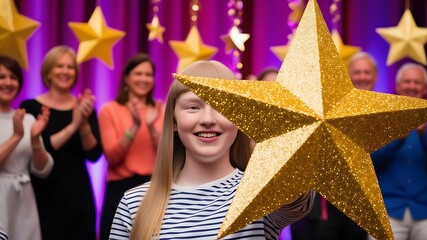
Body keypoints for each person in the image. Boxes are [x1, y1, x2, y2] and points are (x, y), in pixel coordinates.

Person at [109, 60, 315, 239]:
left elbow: (297, 192)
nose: (208, 119)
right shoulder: (133, 203)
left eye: (222, 106)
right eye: (193, 107)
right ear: (173, 120)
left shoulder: (260, 194)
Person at [290, 52, 377, 240]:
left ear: (375, 76)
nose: (362, 77)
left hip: (359, 205)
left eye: (366, 72)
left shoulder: (383, 111)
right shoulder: (331, 104)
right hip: (323, 205)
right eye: (357, 72)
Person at [19, 46, 103, 240]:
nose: (65, 71)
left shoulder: (84, 105)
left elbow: (94, 154)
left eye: (70, 67)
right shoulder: (30, 107)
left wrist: (83, 124)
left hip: (78, 192)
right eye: (59, 66)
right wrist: (73, 126)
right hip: (44, 191)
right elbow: (42, 149)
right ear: (48, 71)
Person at [98, 53, 165, 240]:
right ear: (126, 78)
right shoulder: (109, 110)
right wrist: (135, 126)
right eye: (138, 74)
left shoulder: (162, 109)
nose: (143, 79)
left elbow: (168, 154)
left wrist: (151, 128)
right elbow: (112, 157)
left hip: (155, 188)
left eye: (148, 74)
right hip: (119, 190)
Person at [370, 63, 427, 240]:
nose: (412, 86)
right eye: (407, 81)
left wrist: (424, 135)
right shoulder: (379, 118)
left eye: (417, 82)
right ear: (398, 86)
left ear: (425, 88)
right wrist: (397, 139)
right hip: (387, 211)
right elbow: (366, 162)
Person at [0, 55, 53, 240]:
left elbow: (42, 170)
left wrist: (35, 138)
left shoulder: (27, 118)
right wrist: (16, 136)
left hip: (24, 198)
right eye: (2, 77)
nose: (8, 82)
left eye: (13, 77)